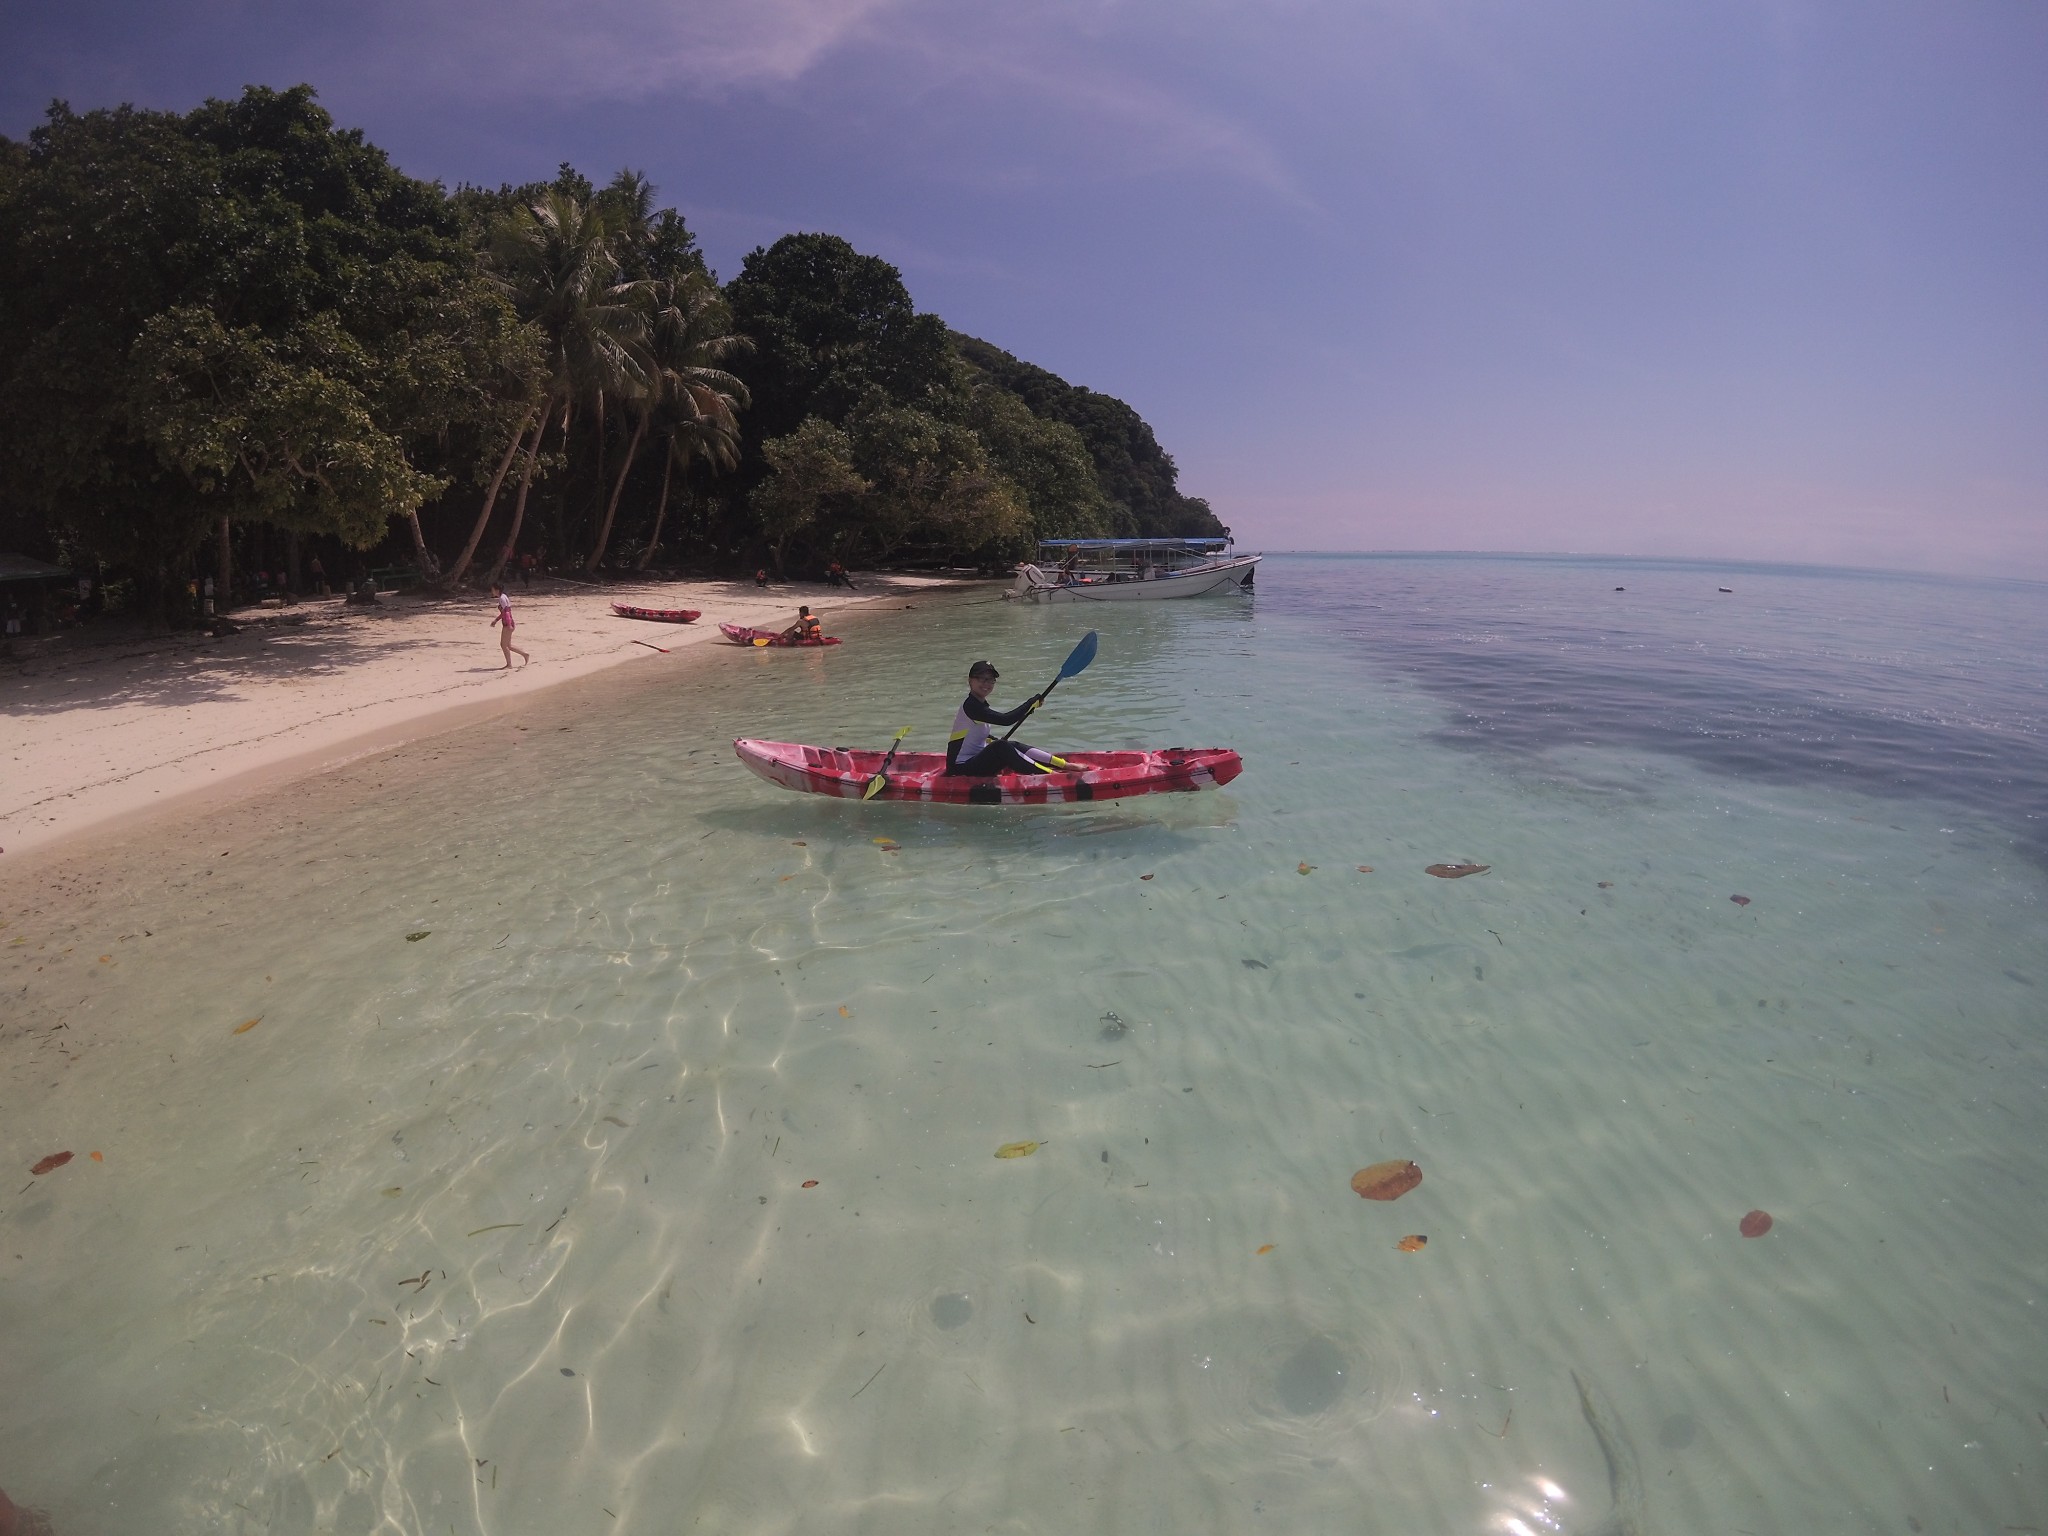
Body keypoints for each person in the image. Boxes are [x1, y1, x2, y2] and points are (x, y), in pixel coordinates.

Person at [945, 660, 1070, 776]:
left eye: (990, 680)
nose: (987, 684)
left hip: (974, 762)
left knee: (1009, 744)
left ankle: (1065, 765)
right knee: (1001, 746)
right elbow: (1006, 720)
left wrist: (994, 741)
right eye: (982, 679)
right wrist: (1030, 703)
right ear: (970, 681)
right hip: (959, 770)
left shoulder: (979, 705)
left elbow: (976, 736)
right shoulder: (971, 706)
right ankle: (1052, 776)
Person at [488, 581, 530, 668]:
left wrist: (509, 624)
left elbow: (506, 612)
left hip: (507, 624)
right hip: (508, 623)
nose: (492, 591)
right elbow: (504, 612)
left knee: (503, 645)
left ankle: (509, 664)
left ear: (497, 590)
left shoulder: (502, 599)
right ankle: (525, 655)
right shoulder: (504, 597)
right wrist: (496, 620)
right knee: (508, 645)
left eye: (492, 590)